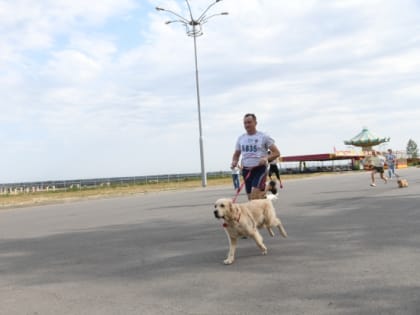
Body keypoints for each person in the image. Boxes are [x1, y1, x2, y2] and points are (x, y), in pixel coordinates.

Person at [231, 113, 281, 200]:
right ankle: (269, 187)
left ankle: (266, 190)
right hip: (246, 170)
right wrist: (234, 161)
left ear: (255, 123)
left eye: (249, 122)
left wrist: (266, 158)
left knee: (254, 197)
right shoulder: (241, 138)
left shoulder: (263, 136)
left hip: (259, 169)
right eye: (245, 123)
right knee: (251, 199)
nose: (247, 125)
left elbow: (276, 152)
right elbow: (236, 155)